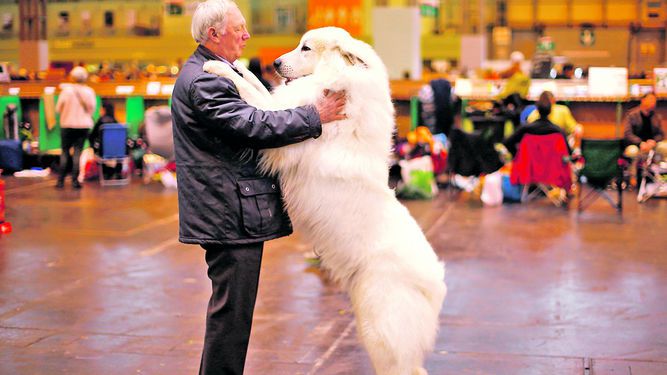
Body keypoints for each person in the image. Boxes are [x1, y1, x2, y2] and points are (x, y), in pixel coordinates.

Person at [170, 1, 346, 374]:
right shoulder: (205, 79)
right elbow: (253, 125)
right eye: (239, 29)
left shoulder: (219, 72)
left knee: (233, 314)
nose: (247, 35)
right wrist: (316, 115)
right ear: (214, 34)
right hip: (226, 213)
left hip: (231, 209)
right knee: (231, 317)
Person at [55, 66, 96, 189]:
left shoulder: (66, 91)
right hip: (83, 125)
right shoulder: (89, 91)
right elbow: (91, 109)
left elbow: (58, 109)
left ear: (72, 77)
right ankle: (75, 181)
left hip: (67, 124)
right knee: (78, 152)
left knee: (65, 152)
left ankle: (60, 181)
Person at [503, 92, 571, 157]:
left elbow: (507, 143)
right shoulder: (558, 131)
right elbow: (567, 152)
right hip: (551, 167)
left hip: (530, 166)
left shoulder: (525, 129)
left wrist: (518, 156)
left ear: (537, 108)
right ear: (551, 109)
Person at [622, 92, 666, 186]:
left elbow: (661, 134)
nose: (652, 103)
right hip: (636, 144)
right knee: (633, 151)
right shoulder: (632, 115)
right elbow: (628, 134)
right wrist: (640, 143)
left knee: (664, 147)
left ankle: (660, 177)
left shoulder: (656, 116)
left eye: (654, 101)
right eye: (650, 100)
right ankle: (632, 177)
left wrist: (653, 142)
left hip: (652, 144)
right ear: (643, 100)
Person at [88, 101, 123, 180]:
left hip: (103, 151)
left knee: (99, 147)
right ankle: (118, 172)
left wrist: (92, 145)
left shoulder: (100, 122)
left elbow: (92, 136)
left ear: (104, 110)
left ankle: (106, 172)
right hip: (118, 152)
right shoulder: (116, 122)